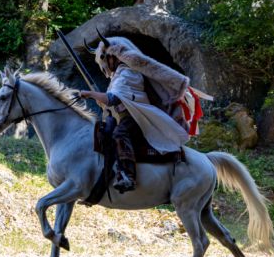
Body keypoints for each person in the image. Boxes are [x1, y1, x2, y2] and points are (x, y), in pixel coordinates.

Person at [80, 32, 192, 193]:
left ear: (113, 57)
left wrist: (90, 94)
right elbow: (111, 102)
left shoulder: (129, 72)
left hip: (135, 117)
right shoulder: (118, 75)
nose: (105, 65)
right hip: (124, 115)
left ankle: (127, 175)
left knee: (120, 133)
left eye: (106, 59)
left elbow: (113, 99)